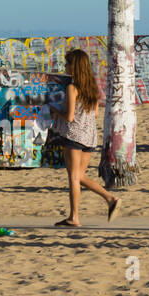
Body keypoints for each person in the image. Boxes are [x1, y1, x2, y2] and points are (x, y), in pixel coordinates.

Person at [52, 49, 119, 226]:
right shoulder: (92, 88)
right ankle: (110, 199)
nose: (65, 66)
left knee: (73, 177)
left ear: (74, 67)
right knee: (80, 176)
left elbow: (69, 117)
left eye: (67, 63)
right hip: (90, 137)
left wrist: (55, 111)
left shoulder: (72, 88)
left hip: (74, 136)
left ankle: (74, 217)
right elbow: (96, 113)